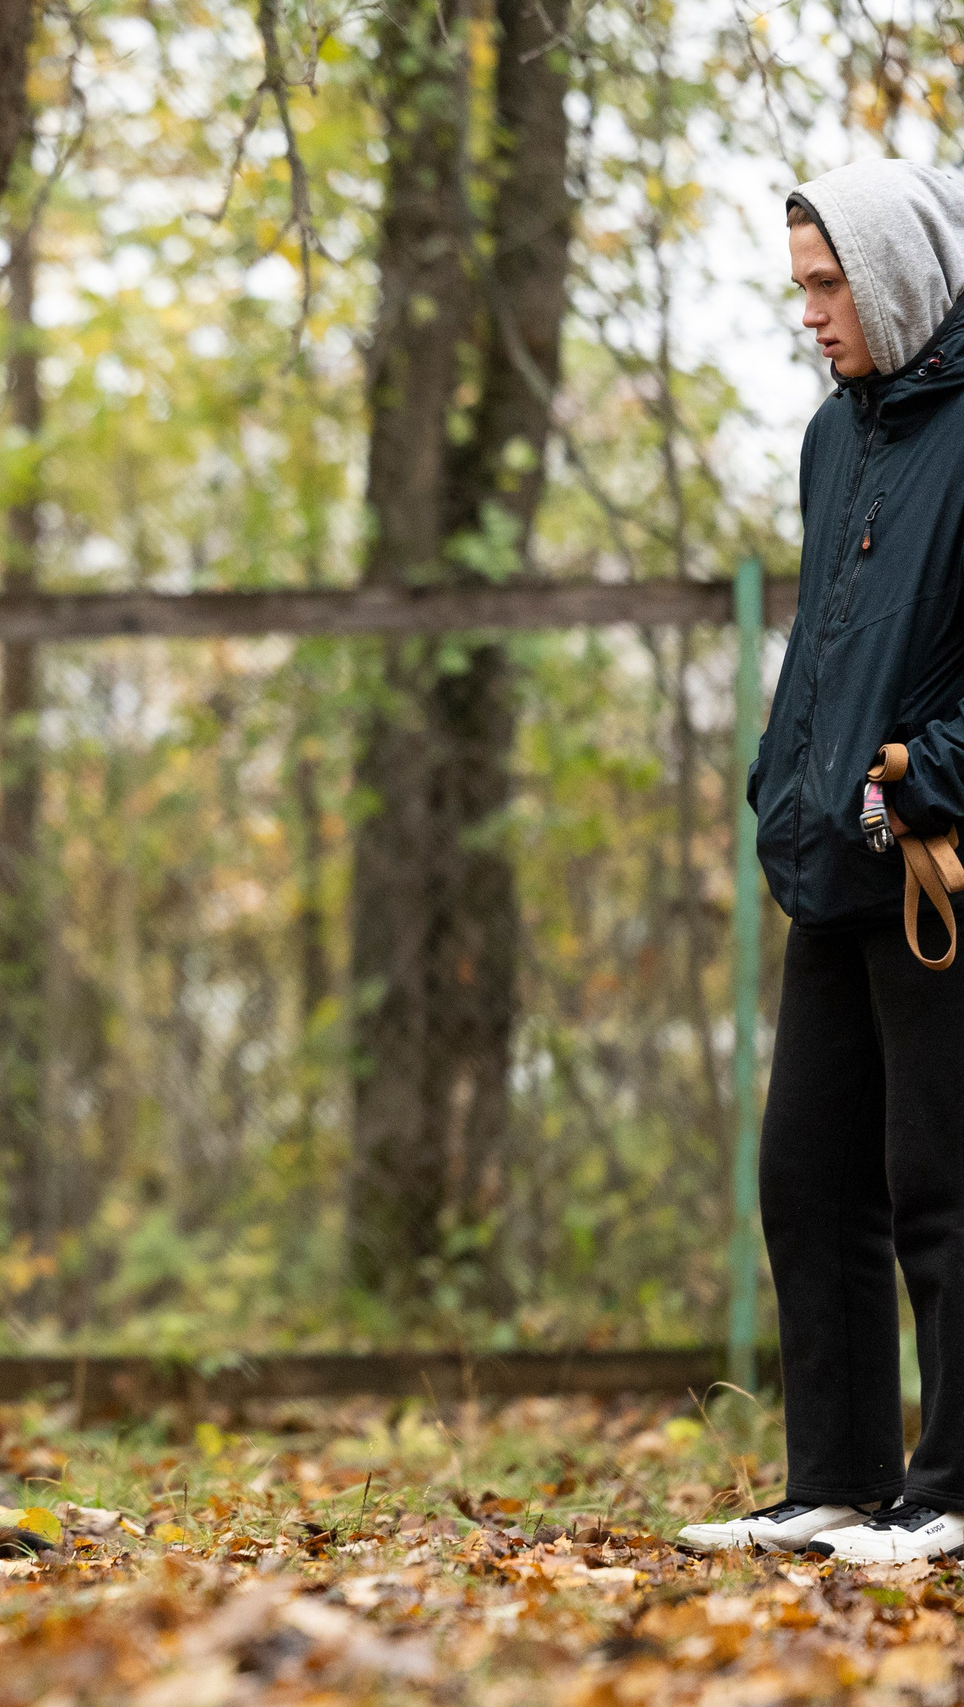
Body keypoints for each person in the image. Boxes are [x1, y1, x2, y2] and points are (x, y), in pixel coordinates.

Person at [680, 161, 964, 1564]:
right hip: (827, 859)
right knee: (807, 1172)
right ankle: (838, 1480)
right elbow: (824, 645)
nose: (809, 313)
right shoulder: (830, 438)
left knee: (942, 1178)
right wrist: (784, 777)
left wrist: (933, 776)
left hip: (940, 869)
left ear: (899, 276)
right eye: (799, 285)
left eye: (827, 282)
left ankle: (957, 1483)